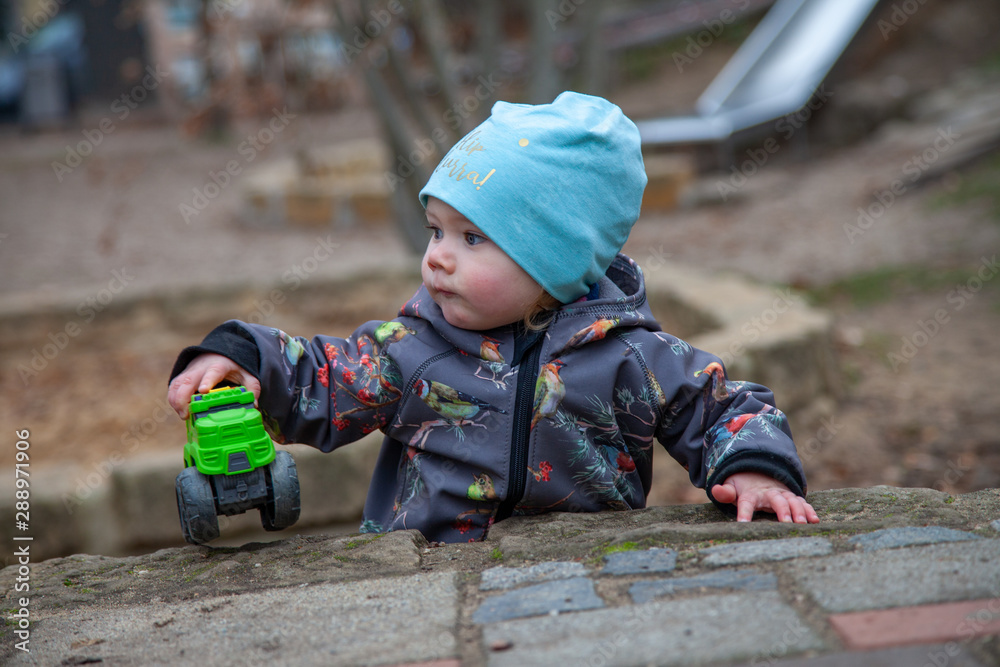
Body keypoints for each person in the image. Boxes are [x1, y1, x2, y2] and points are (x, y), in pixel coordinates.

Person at [167, 91, 819, 543]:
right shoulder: (411, 350)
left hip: (583, 579)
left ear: (557, 261)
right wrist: (242, 357)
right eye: (436, 230)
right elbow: (325, 375)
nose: (438, 257)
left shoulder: (628, 357)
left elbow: (720, 404)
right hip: (425, 583)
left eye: (472, 238)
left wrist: (753, 467)